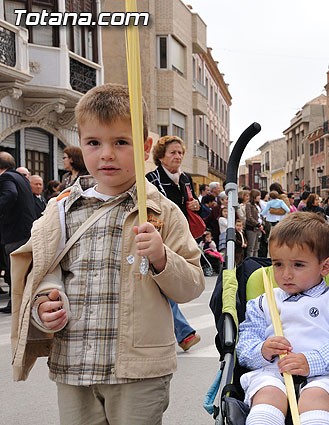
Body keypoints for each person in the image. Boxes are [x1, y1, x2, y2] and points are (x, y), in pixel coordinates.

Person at [10, 83, 205, 424]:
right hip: (74, 366)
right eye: (94, 143)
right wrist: (44, 304)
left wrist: (162, 258)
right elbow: (43, 272)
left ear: (145, 147)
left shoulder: (161, 211)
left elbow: (192, 285)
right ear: (80, 144)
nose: (107, 154)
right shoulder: (61, 210)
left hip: (138, 373)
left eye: (121, 142)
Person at [237, 212, 329, 425]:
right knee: (267, 395)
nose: (286, 274)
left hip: (325, 375)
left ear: (325, 267)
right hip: (273, 372)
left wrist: (312, 362)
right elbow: (245, 344)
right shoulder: (263, 303)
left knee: (315, 398)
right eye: (278, 264)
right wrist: (262, 350)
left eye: (298, 265)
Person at [146, 135, 203, 351]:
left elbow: (197, 208)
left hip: (184, 236)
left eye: (180, 152)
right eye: (173, 152)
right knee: (163, 280)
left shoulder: (186, 179)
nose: (178, 156)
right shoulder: (151, 179)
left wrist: (198, 206)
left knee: (171, 282)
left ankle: (179, 332)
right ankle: (184, 332)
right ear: (161, 157)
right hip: (161, 235)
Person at [0, 152, 37, 313]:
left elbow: (10, 194)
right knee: (24, 271)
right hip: (26, 231)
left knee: (16, 271)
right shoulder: (21, 178)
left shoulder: (6, 178)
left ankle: (18, 303)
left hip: (14, 232)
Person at [245, 189, 262, 257]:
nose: (259, 197)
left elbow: (260, 215)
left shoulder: (258, 205)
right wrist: (257, 224)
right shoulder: (249, 205)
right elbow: (249, 217)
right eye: (258, 195)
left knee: (256, 248)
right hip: (252, 228)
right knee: (251, 247)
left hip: (258, 228)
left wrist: (262, 223)